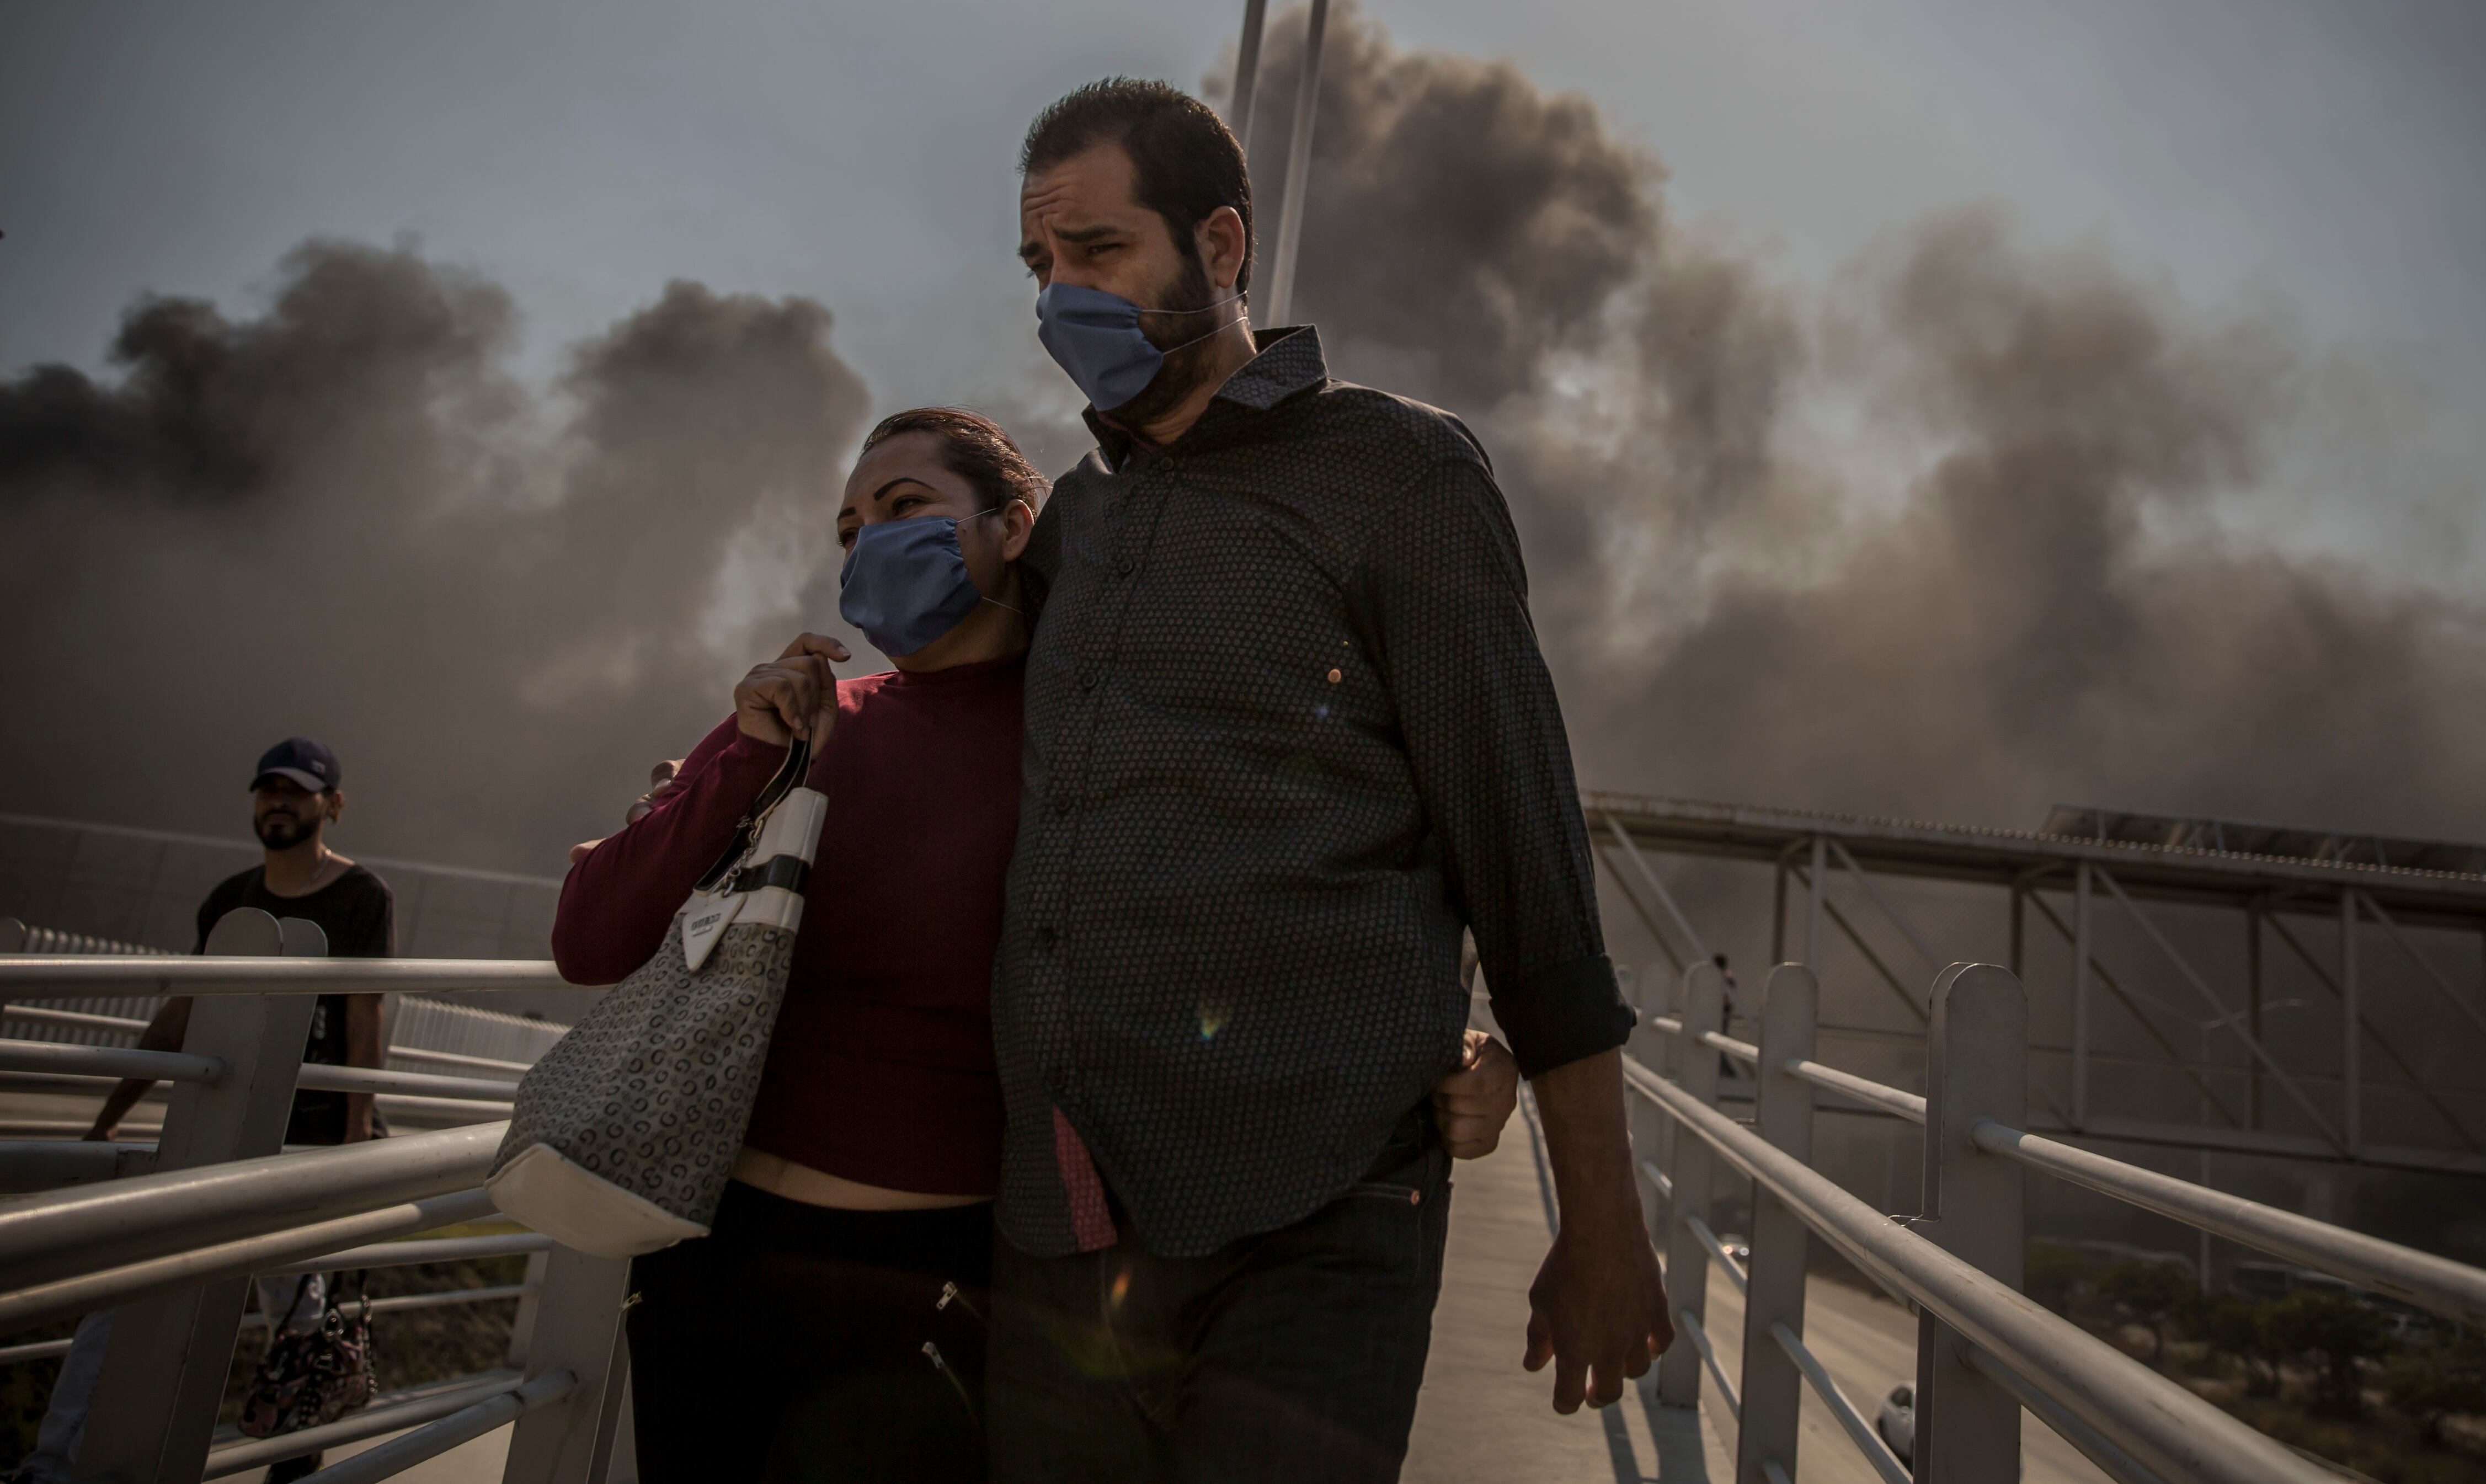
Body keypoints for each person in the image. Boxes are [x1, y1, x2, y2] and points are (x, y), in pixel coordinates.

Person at [552, 406, 1533, 1482]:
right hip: (715, 1264)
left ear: (1016, 524)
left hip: (932, 1283)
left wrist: (1450, 1041)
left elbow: (1266, 916)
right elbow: (591, 935)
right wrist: (739, 759)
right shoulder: (809, 718)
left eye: (905, 507)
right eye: (848, 526)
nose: (869, 540)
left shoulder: (1093, 745)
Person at [993, 79, 1670, 1481]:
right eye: (1039, 266)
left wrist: (1601, 1214)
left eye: (1099, 252)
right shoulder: (1080, 522)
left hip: (1315, 1216)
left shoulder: (1396, 475)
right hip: (1062, 1230)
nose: (1062, 296)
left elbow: (1524, 855)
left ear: (1222, 247)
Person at [79, 735, 393, 1483]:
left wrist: (354, 1139)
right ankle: (65, 1464)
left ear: (333, 805)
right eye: (266, 789)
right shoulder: (231, 898)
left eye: (297, 789)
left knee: (295, 1307)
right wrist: (109, 1113)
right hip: (216, 1128)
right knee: (123, 1290)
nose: (278, 801)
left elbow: (362, 1013)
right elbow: (184, 1012)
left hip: (308, 1136)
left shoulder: (360, 896)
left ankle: (293, 1454)